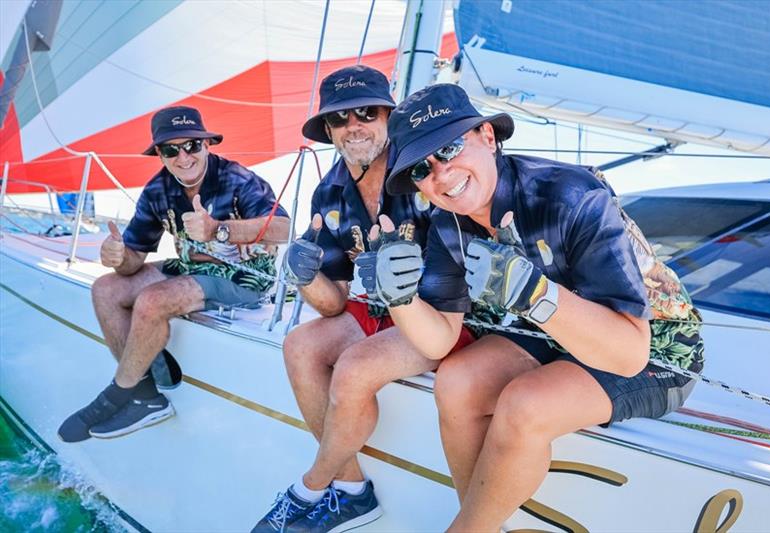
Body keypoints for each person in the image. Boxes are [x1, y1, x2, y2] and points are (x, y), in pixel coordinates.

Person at [370, 83, 704, 531]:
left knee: (525, 404)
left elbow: (629, 353)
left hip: (659, 349)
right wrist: (401, 299)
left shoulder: (573, 196)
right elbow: (440, 337)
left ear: (488, 137)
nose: (440, 174)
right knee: (456, 380)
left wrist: (535, 295)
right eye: (420, 170)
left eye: (449, 148)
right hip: (553, 334)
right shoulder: (447, 222)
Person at [251, 66, 474, 533]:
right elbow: (332, 303)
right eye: (339, 118)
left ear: (388, 116)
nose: (354, 125)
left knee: (354, 368)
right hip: (375, 311)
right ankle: (352, 490)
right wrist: (304, 276)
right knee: (299, 345)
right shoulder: (327, 191)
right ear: (328, 131)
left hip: (441, 315)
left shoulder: (424, 170)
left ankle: (310, 487)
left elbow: (458, 275)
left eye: (366, 112)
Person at [58, 105, 290, 442]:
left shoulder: (237, 179)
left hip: (245, 277)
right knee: (105, 289)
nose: (183, 157)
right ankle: (144, 395)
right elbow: (133, 259)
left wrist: (218, 230)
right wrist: (118, 256)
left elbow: (282, 229)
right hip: (191, 269)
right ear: (160, 155)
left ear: (206, 145)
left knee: (153, 301)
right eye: (171, 150)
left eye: (192, 146)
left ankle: (115, 396)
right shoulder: (157, 190)